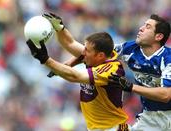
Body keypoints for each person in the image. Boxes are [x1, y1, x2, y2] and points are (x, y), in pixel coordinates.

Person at [43, 13, 171, 131]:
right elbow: (94, 53)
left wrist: (130, 87)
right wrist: (61, 32)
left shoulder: (167, 59)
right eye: (143, 24)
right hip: (149, 118)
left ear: (158, 36)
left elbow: (166, 95)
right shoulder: (131, 49)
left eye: (147, 27)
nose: (141, 28)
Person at [26, 31, 130, 130]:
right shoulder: (95, 61)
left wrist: (46, 60)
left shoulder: (110, 70)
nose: (83, 53)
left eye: (87, 50)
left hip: (114, 128)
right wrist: (59, 28)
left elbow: (75, 76)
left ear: (100, 55)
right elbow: (69, 42)